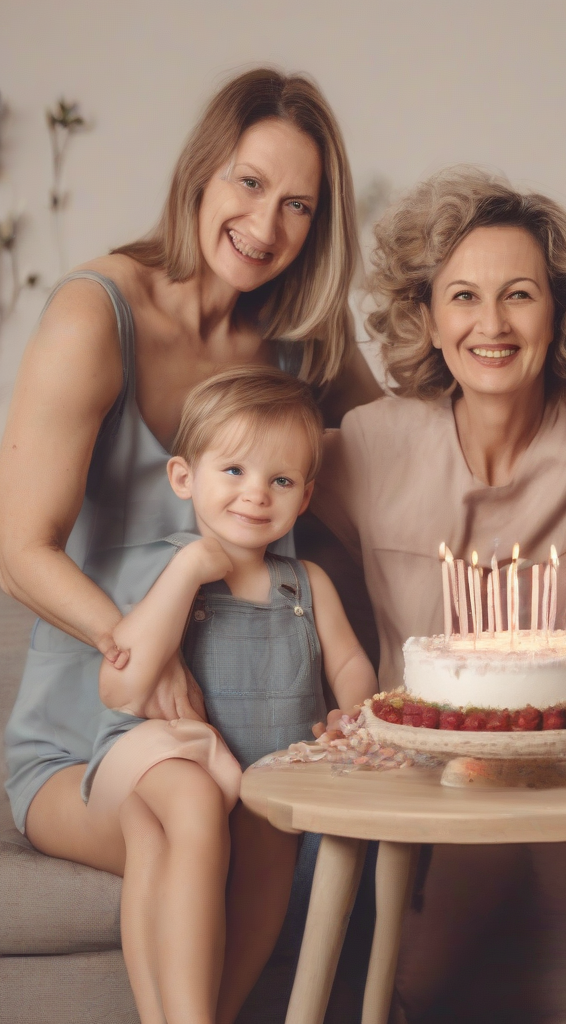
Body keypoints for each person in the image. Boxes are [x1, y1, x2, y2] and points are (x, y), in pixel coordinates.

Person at [0, 68, 379, 1024]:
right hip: (91, 737)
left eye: (299, 205)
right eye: (249, 184)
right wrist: (137, 646)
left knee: (265, 822)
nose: (267, 224)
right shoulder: (99, 314)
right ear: (202, 173)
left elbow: (404, 465)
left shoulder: (301, 344)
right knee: (189, 804)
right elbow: (17, 543)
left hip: (243, 743)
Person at [310, 166, 566, 1019]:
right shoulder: (368, 446)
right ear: (427, 316)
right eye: (463, 297)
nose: (492, 324)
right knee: (422, 987)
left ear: (559, 310)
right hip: (424, 787)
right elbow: (244, 502)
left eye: (519, 295)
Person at [85, 369, 377, 972]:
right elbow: (119, 686)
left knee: (269, 842)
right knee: (182, 813)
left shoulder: (307, 583)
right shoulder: (169, 575)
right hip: (180, 762)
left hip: (268, 773)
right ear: (183, 478)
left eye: (281, 479)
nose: (257, 494)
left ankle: (221, 1011)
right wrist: (191, 567)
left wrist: (353, 709)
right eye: (234, 471)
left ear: (306, 495)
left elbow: (348, 660)